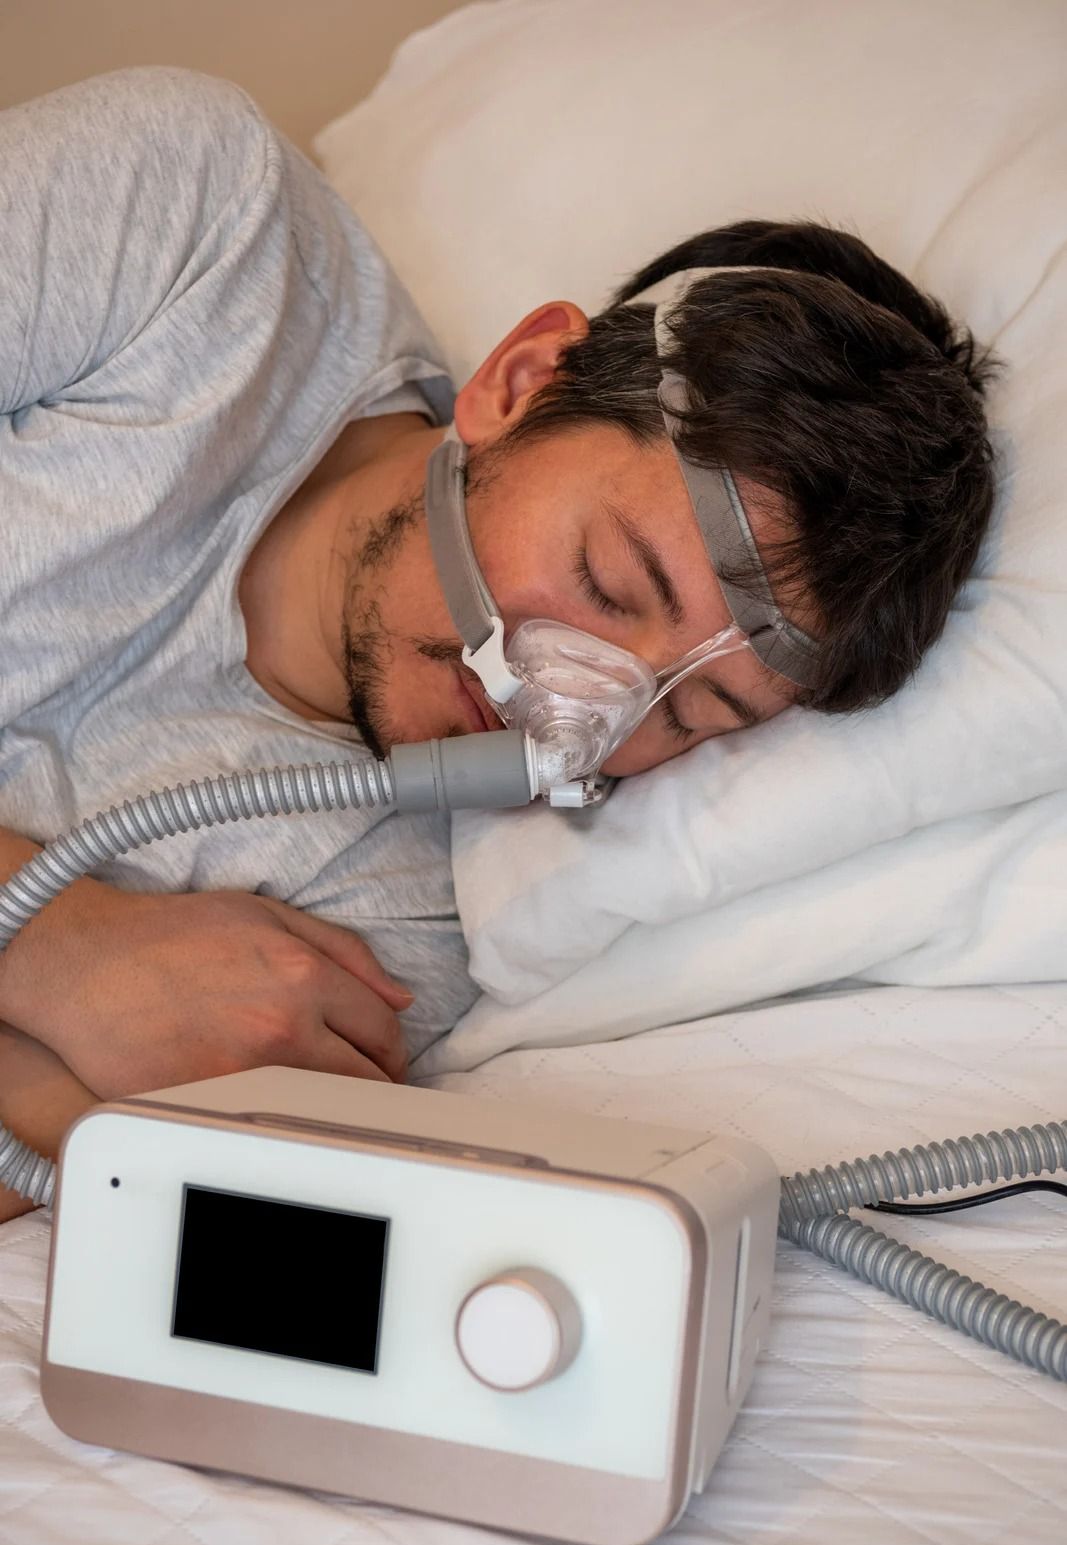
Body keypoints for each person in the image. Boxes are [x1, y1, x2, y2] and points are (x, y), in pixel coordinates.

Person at [0, 67, 996, 1220]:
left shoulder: (394, 924)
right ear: (521, 382)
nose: (572, 704)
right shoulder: (198, 231)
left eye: (683, 711)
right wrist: (63, 946)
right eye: (606, 580)